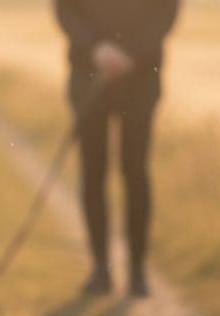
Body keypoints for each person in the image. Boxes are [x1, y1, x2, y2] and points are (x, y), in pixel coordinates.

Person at [53, 0, 180, 297]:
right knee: (93, 170)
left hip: (141, 78)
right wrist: (97, 48)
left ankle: (137, 271)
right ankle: (100, 268)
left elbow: (166, 10)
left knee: (135, 170)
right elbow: (65, 8)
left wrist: (131, 54)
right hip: (88, 74)